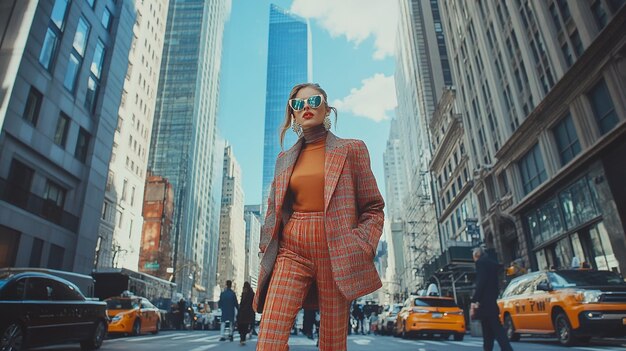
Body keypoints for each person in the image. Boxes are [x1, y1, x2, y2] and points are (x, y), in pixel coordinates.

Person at [253, 83, 385, 351]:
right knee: (268, 341)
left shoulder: (352, 150)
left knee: (332, 344)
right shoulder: (284, 159)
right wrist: (266, 246)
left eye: (313, 100)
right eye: (297, 105)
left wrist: (361, 244)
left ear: (327, 107)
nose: (306, 107)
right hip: (292, 252)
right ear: (293, 115)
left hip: (337, 252)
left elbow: (373, 207)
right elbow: (272, 211)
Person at [471, 246, 514, 351]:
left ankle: (507, 349)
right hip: (492, 300)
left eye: (473, 257)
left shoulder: (480, 263)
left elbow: (481, 282)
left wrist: (474, 299)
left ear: (476, 255)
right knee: (488, 331)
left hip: (485, 303)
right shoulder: (491, 263)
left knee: (496, 330)